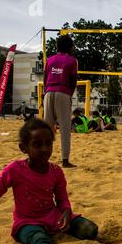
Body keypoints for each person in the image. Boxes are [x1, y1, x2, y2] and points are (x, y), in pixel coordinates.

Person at [44, 35, 78, 168]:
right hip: (63, 92)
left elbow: (46, 77)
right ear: (69, 47)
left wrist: (45, 94)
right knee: (64, 128)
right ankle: (65, 160)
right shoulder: (72, 60)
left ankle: (43, 158)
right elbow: (73, 80)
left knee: (47, 128)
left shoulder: (50, 59)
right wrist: (69, 94)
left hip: (48, 92)